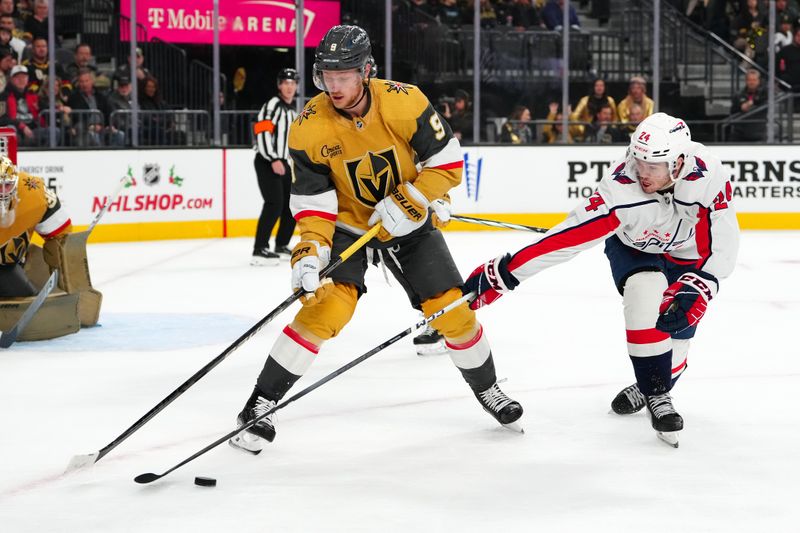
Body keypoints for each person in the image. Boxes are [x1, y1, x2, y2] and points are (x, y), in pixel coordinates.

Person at [229, 24, 523, 454]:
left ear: (366, 71)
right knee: (324, 308)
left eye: (344, 75)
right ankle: (260, 403)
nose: (334, 84)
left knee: (451, 312)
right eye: (327, 75)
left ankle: (488, 389)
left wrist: (416, 196)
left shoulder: (405, 101)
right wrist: (308, 253)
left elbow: (446, 162)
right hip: (348, 226)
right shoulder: (309, 127)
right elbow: (313, 206)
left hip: (409, 223)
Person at [462, 113, 739, 446]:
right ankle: (657, 392)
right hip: (635, 248)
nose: (642, 172)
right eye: (638, 161)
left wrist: (704, 283)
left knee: (677, 331)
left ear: (678, 163)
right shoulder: (620, 190)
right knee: (644, 293)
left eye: (653, 166)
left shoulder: (709, 175)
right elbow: (564, 241)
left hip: (688, 253)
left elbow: (723, 238)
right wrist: (505, 273)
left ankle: (654, 381)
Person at [0, 155, 71, 298]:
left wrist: (64, 276)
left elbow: (60, 236)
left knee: (28, 304)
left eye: (7, 185)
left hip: (5, 266)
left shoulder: (34, 194)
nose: (2, 192)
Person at [250, 67, 299, 266]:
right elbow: (261, 131)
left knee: (291, 204)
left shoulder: (292, 111)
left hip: (282, 162)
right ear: (279, 86)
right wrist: (272, 159)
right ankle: (259, 249)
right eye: (286, 83)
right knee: (274, 203)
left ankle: (281, 245)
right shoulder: (273, 105)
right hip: (267, 161)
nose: (289, 87)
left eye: (293, 83)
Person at [0, 65, 49, 147]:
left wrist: (60, 108)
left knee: (54, 131)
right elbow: (2, 119)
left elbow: (47, 108)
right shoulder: (3, 96)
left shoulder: (33, 95)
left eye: (24, 77)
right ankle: (11, 158)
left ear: (28, 79)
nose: (21, 80)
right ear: (11, 79)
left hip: (33, 130)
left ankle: (47, 156)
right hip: (16, 130)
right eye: (17, 77)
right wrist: (21, 126)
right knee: (11, 129)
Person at [730, 69, 766, 142]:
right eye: (749, 80)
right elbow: (733, 111)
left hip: (759, 134)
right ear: (746, 81)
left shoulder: (764, 94)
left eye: (754, 80)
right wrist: (741, 107)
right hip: (740, 133)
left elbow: (770, 96)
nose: (752, 82)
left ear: (759, 81)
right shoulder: (738, 95)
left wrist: (751, 102)